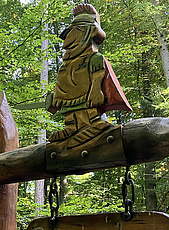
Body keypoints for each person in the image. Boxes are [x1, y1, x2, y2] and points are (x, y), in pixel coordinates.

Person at [47, 4, 132, 148]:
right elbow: (61, 83)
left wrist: (95, 91)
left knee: (90, 114)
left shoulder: (94, 58)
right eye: (70, 32)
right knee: (70, 117)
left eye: (76, 31)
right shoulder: (66, 64)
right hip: (69, 99)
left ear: (88, 32)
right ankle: (71, 128)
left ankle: (95, 123)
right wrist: (55, 99)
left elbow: (98, 76)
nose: (69, 38)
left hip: (88, 100)